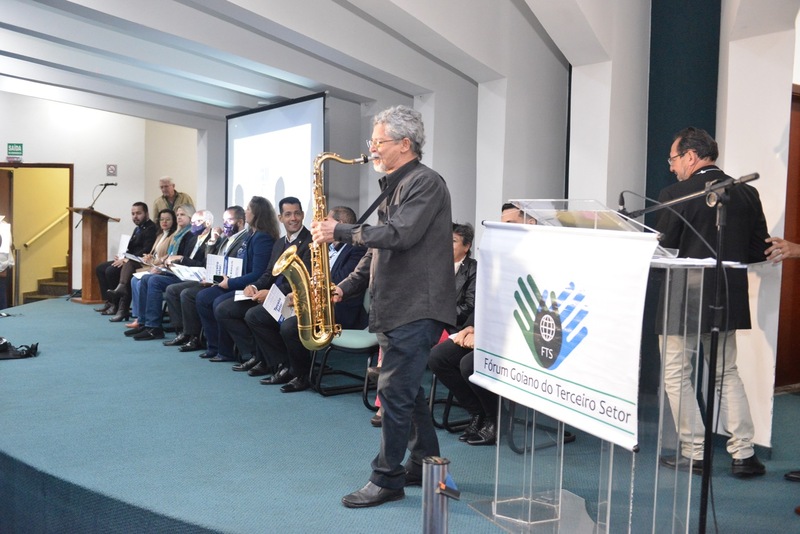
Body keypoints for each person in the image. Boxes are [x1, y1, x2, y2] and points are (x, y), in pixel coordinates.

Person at [311, 105, 456, 508]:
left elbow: (398, 235)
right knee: (405, 391)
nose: (371, 148)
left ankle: (386, 477)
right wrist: (346, 287)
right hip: (397, 305)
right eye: (372, 141)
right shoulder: (397, 184)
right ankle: (424, 463)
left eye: (378, 141)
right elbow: (378, 248)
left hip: (416, 306)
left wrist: (340, 230)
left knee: (393, 392)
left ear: (405, 144)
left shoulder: (426, 182)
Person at [656, 127, 769, 478]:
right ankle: (744, 454)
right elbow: (758, 250)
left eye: (674, 159)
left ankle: (695, 453)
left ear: (691, 156)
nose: (672, 167)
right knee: (726, 372)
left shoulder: (675, 194)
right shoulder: (747, 193)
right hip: (727, 293)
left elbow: (664, 249)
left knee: (677, 374)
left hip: (682, 295)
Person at [217, 196, 312, 376]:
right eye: (288, 214)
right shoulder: (280, 242)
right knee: (225, 309)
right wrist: (253, 286)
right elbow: (269, 273)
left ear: (302, 214)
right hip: (271, 294)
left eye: (297, 213)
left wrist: (271, 293)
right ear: (280, 218)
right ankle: (262, 357)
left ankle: (280, 363)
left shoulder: (311, 242)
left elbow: (303, 280)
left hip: (292, 298)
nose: (293, 218)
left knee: (254, 315)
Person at [277, 205, 368, 393]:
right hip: (323, 302)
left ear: (340, 224)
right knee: (273, 316)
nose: (321, 226)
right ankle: (287, 366)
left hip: (341, 308)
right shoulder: (326, 247)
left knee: (290, 327)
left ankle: (301, 375)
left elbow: (340, 281)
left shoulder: (357, 249)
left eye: (326, 221)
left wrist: (307, 294)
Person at [194, 196, 278, 361]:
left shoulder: (262, 238)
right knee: (203, 297)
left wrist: (230, 282)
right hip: (240, 282)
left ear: (257, 214)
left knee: (219, 304)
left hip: (252, 287)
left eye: (248, 209)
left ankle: (237, 351)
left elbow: (259, 273)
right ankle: (215, 347)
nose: (245, 212)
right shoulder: (251, 235)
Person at [162, 205, 247, 348]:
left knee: (187, 294)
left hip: (219, 280)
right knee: (172, 289)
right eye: (224, 220)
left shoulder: (231, 239)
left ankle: (195, 337)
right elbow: (212, 262)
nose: (225, 224)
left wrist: (212, 242)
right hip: (202, 277)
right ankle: (183, 332)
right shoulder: (197, 239)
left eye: (197, 222)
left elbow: (206, 264)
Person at [131, 209, 214, 341]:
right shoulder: (193, 239)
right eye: (192, 222)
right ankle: (145, 323)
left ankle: (155, 327)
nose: (193, 225)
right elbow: (182, 261)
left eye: (197, 222)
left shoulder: (212, 241)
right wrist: (169, 264)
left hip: (196, 278)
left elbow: (204, 265)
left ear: (208, 223)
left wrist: (181, 259)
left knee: (155, 281)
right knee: (146, 278)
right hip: (182, 274)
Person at [107, 209, 177, 322]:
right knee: (132, 276)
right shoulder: (160, 235)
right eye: (162, 219)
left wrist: (152, 260)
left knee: (131, 268)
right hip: (151, 264)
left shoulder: (173, 236)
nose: (164, 222)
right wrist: (149, 257)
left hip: (160, 267)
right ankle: (138, 316)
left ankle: (124, 300)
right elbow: (154, 253)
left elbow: (167, 257)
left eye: (168, 219)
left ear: (173, 221)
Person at [94, 202, 157, 314]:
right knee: (100, 268)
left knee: (111, 271)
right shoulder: (137, 229)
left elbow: (146, 250)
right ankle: (109, 301)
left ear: (147, 214)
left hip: (138, 262)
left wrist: (126, 259)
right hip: (129, 259)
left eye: (138, 213)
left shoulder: (151, 228)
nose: (135, 216)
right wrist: (122, 255)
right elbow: (131, 247)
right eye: (133, 214)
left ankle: (116, 305)